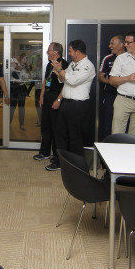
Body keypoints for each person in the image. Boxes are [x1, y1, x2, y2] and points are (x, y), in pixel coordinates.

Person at [47, 39, 95, 171]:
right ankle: (60, 162)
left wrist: (60, 69)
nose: (68, 53)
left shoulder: (87, 66)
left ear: (78, 52)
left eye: (70, 51)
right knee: (61, 134)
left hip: (78, 106)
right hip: (66, 103)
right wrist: (58, 72)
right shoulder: (73, 64)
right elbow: (63, 79)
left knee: (75, 137)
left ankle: (76, 166)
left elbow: (73, 81)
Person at [33, 42, 68, 165]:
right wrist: (42, 96)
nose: (47, 52)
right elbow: (46, 80)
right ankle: (44, 152)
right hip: (47, 97)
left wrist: (58, 100)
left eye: (49, 50)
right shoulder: (49, 64)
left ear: (56, 53)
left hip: (56, 98)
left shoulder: (64, 65)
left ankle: (57, 155)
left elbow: (66, 85)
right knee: (46, 125)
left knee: (56, 128)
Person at [97, 35, 125, 140]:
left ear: (121, 45)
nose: (110, 46)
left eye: (112, 43)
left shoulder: (129, 58)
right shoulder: (108, 58)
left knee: (122, 125)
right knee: (108, 124)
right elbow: (100, 76)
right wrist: (111, 82)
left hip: (125, 97)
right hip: (110, 96)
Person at [10, 52, 30, 131]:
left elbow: (27, 76)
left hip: (22, 88)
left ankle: (22, 124)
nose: (24, 60)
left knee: (21, 107)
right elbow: (9, 75)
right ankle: (8, 123)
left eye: (26, 59)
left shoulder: (24, 67)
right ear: (20, 58)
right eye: (23, 58)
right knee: (12, 107)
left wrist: (25, 74)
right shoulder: (13, 65)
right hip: (14, 88)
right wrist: (15, 68)